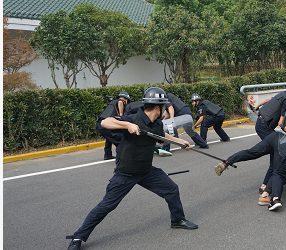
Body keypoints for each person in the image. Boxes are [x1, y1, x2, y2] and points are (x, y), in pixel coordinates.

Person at [66, 87, 198, 250]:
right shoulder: (133, 118)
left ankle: (177, 220)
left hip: (146, 171)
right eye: (164, 106)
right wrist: (127, 124)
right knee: (107, 205)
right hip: (126, 173)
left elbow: (161, 135)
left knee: (171, 189)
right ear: (159, 107)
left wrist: (180, 142)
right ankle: (78, 237)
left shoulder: (156, 123)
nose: (165, 109)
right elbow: (104, 122)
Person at [214, 130, 286, 206]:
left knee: (252, 152)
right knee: (278, 170)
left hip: (275, 135)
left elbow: (281, 124)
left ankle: (227, 162)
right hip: (284, 142)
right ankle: (266, 195)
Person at [96, 92, 130, 160]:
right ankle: (120, 158)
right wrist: (121, 116)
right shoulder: (121, 101)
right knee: (119, 140)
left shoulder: (113, 103)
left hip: (100, 124)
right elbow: (121, 103)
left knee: (109, 138)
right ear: (126, 100)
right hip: (106, 124)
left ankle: (107, 154)